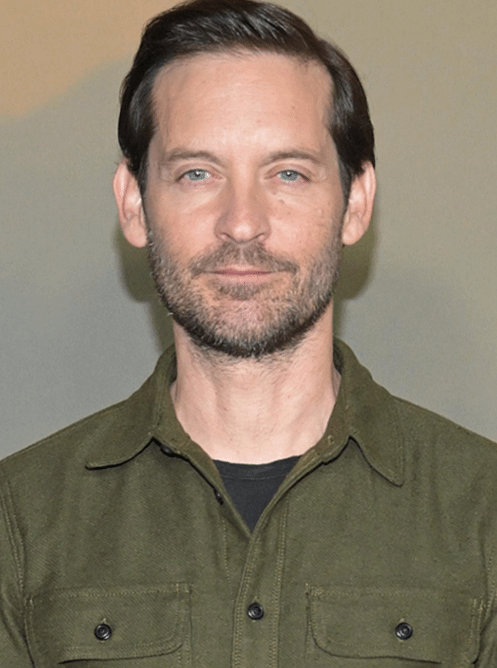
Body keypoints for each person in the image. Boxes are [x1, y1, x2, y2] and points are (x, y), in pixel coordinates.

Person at [1, 0, 496, 664]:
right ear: (134, 203)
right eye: (196, 173)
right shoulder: (20, 519)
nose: (241, 222)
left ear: (354, 203)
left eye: (287, 173)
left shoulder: (483, 512)